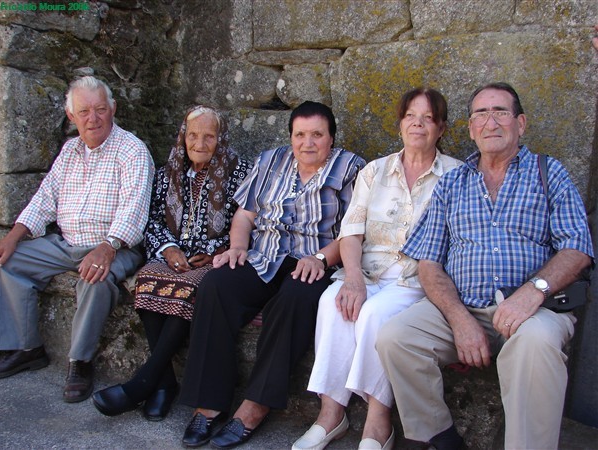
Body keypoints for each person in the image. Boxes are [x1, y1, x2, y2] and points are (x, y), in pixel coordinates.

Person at [376, 82, 594, 450]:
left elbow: (577, 249)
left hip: (534, 310)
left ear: (520, 123)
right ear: (470, 126)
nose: (490, 121)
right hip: (464, 307)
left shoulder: (548, 172)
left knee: (536, 343)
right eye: (481, 113)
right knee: (396, 337)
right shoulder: (453, 183)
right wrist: (460, 320)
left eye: (500, 112)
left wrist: (532, 293)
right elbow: (429, 262)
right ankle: (437, 437)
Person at [178, 101, 365, 448]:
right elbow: (246, 215)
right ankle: (209, 403)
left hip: (314, 261)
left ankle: (255, 406)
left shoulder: (351, 168)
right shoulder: (270, 160)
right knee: (217, 285)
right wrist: (236, 247)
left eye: (317, 135)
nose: (308, 143)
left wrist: (321, 258)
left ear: (331, 138)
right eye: (300, 135)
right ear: (291, 137)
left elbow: (353, 231)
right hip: (264, 256)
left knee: (294, 298)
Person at [293, 88, 462, 450]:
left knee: (373, 315)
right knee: (332, 303)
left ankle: (377, 421)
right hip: (366, 270)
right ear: (400, 123)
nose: (417, 124)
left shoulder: (457, 176)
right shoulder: (375, 170)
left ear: (442, 128)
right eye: (410, 116)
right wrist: (352, 279)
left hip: (415, 279)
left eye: (428, 118)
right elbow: (351, 232)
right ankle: (331, 414)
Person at [0, 76, 155, 403]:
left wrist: (108, 246)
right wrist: (15, 234)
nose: (93, 118)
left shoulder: (132, 149)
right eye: (84, 111)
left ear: (113, 109)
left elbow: (134, 208)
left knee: (95, 279)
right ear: (72, 116)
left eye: (100, 109)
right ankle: (26, 348)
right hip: (67, 243)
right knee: (9, 260)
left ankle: (79, 362)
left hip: (116, 245)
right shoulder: (70, 150)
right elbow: (45, 199)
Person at [91, 106, 251, 420]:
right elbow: (152, 219)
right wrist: (168, 249)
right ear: (183, 136)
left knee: (190, 288)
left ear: (221, 138)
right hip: (173, 255)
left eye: (209, 136)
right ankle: (163, 384)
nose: (200, 143)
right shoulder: (169, 172)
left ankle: (143, 384)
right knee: (148, 280)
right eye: (193, 135)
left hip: (213, 258)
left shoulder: (240, 172)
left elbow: (245, 219)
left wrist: (212, 249)